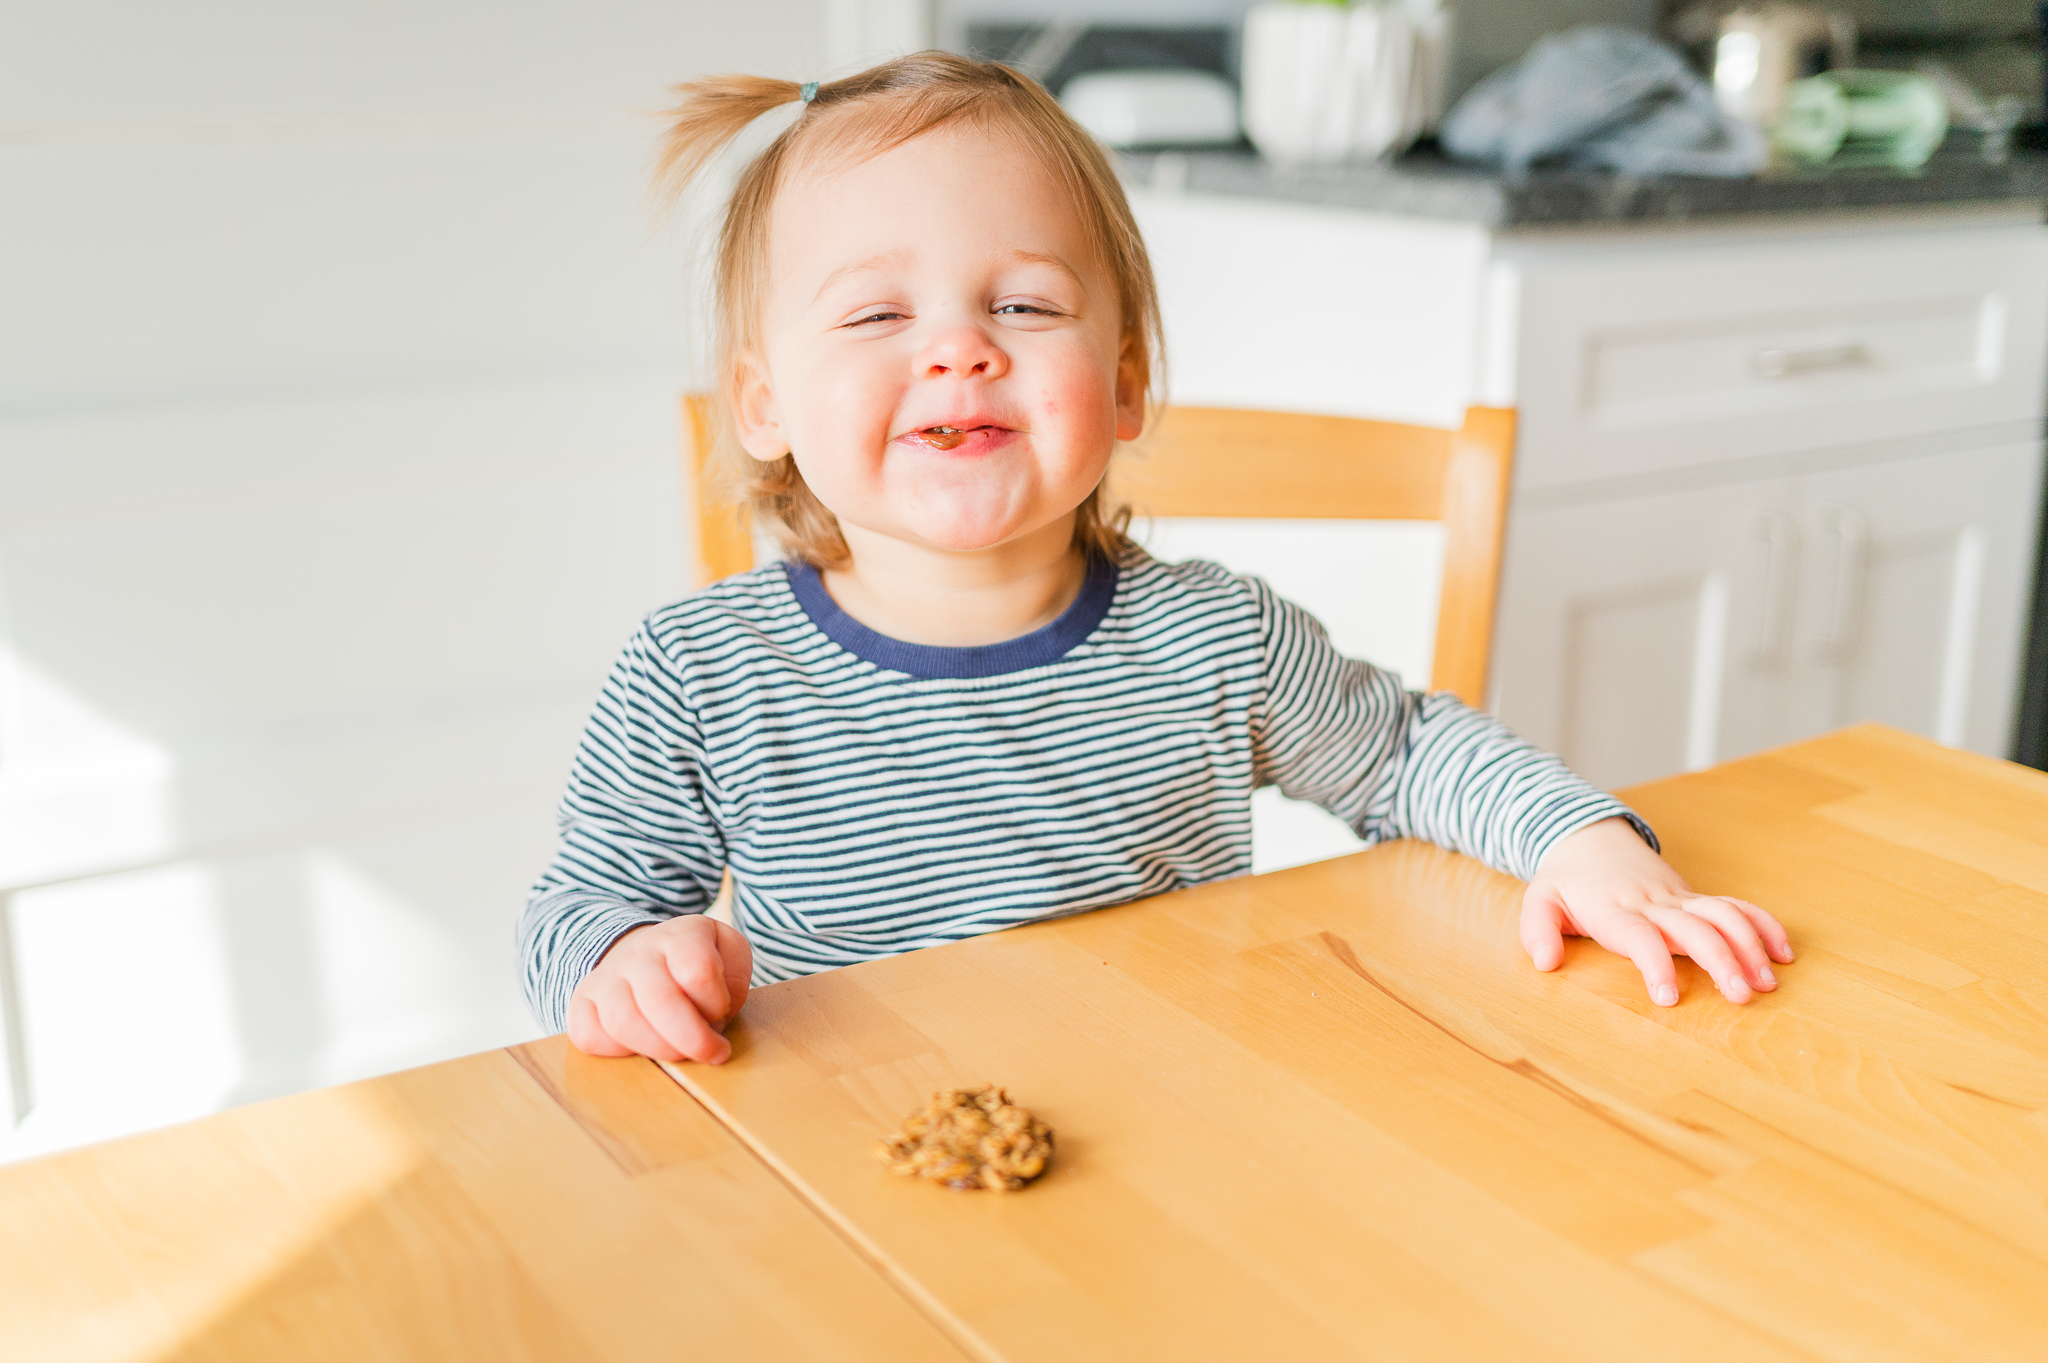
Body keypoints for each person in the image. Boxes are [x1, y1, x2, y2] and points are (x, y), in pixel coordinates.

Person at [520, 53, 1792, 1065]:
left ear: (1124, 385)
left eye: (1021, 304)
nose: (959, 349)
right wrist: (619, 965)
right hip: (859, 1159)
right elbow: (581, 905)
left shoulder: (1213, 639)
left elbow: (1409, 753)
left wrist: (1579, 842)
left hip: (1180, 1125)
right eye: (876, 314)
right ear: (762, 405)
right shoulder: (696, 670)